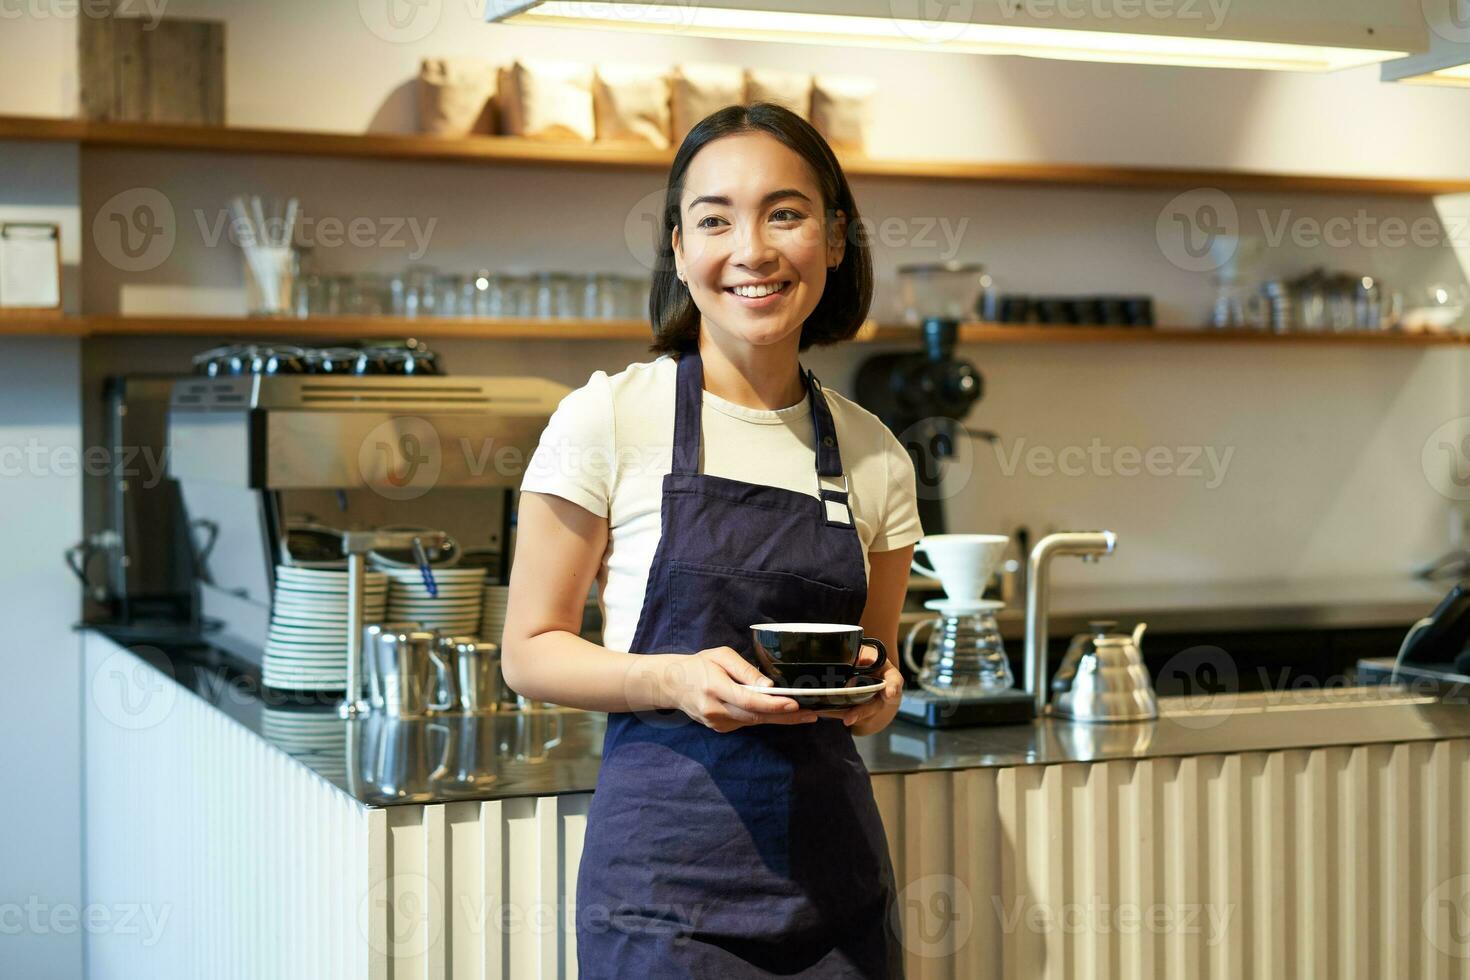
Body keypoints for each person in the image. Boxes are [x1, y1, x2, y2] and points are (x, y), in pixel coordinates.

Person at [504, 101, 923, 978]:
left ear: (835, 238)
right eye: (715, 219)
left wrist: (879, 688)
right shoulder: (608, 417)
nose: (753, 250)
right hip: (662, 904)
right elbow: (530, 651)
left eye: (786, 213)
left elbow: (877, 661)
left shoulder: (877, 454)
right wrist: (671, 677)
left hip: (838, 899)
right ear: (680, 248)